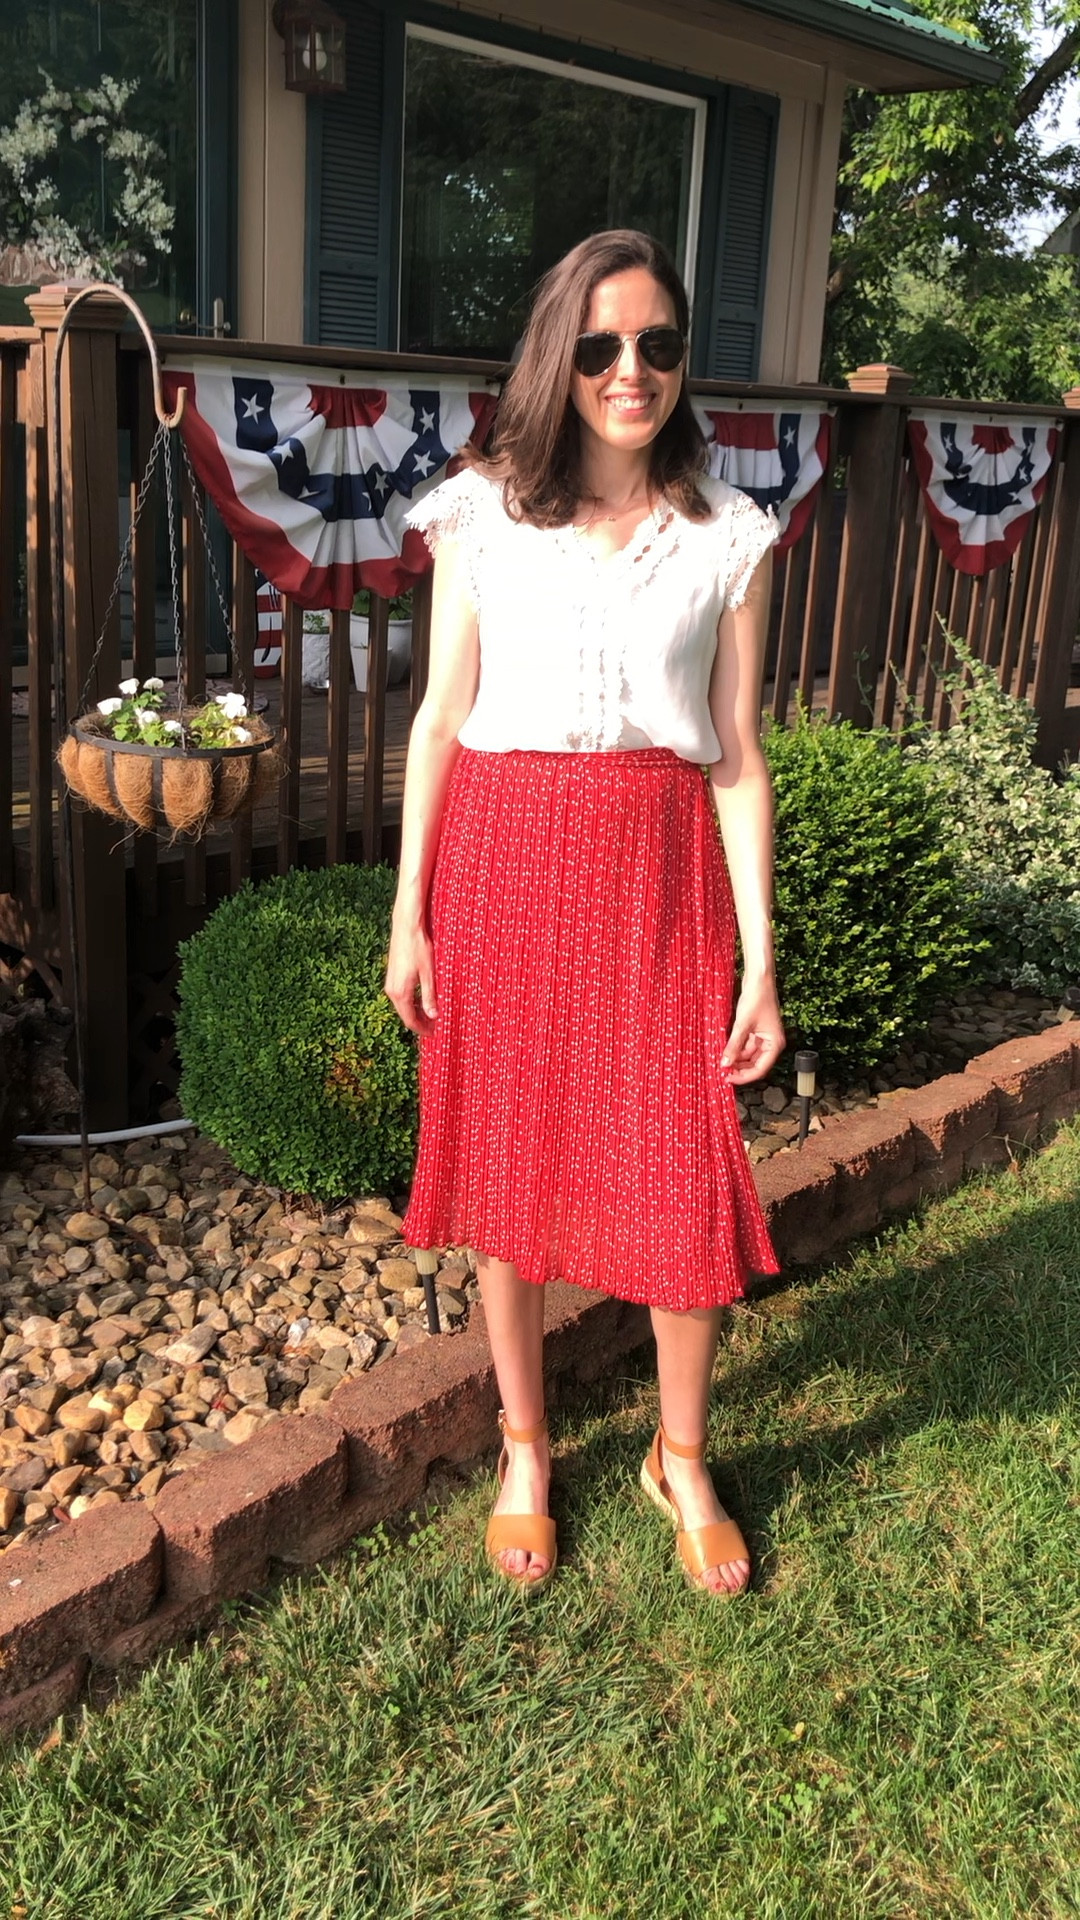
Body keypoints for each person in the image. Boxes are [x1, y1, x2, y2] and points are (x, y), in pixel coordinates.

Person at [384, 229, 785, 1599]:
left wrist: (761, 965)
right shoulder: (480, 512)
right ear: (561, 354)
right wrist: (408, 918)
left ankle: (682, 1454)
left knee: (680, 1157)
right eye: (604, 344)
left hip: (661, 870)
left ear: (683, 364)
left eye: (659, 345)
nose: (632, 371)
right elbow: (439, 720)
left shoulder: (728, 532)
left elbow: (735, 748)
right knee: (509, 1161)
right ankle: (527, 1445)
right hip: (501, 858)